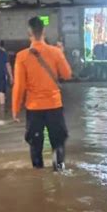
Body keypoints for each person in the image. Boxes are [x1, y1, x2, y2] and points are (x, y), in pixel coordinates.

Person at [13, 17, 72, 171]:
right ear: (44, 32)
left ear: (29, 33)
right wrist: (62, 53)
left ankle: (37, 177)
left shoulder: (22, 56)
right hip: (54, 106)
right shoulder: (56, 52)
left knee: (35, 144)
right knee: (58, 143)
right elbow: (67, 74)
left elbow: (19, 86)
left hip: (34, 108)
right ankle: (59, 172)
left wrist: (15, 109)